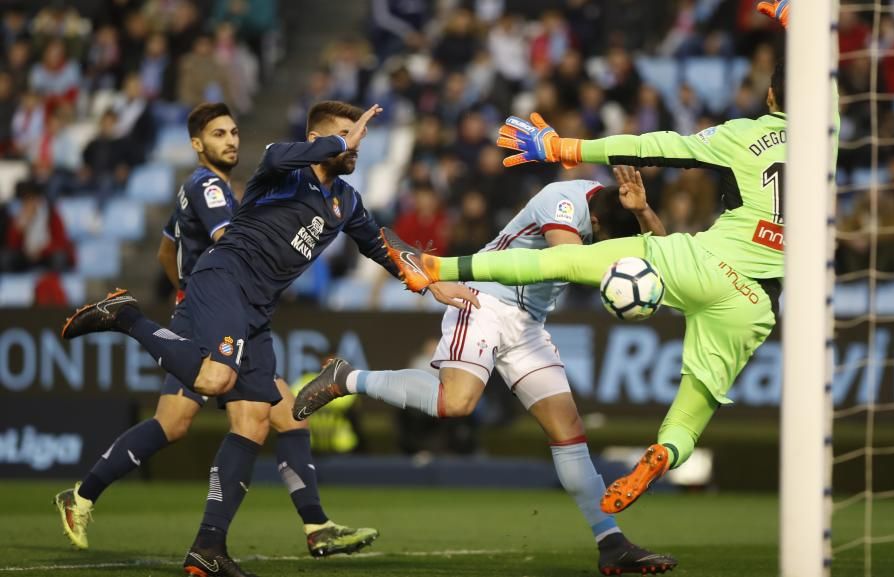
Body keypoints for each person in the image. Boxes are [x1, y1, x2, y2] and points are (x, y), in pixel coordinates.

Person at [371, 0, 830, 519]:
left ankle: (438, 267)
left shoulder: (740, 136)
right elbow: (828, 87)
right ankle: (663, 455)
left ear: (770, 95)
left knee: (565, 262)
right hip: (757, 301)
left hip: (704, 259)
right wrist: (797, 23)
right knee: (695, 404)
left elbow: (654, 143)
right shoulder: (827, 139)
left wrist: (564, 147)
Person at [60, 100, 477, 577]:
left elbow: (382, 247)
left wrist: (432, 282)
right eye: (341, 135)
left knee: (260, 420)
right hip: (225, 279)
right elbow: (281, 157)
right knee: (214, 381)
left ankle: (208, 548)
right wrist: (343, 139)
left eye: (354, 135)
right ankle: (126, 315)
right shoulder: (282, 167)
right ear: (319, 139)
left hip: (257, 308)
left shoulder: (346, 201)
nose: (353, 144)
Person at [293, 170, 677, 575]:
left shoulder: (612, 211)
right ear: (595, 223)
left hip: (529, 323)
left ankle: (611, 542)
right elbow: (569, 260)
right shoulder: (562, 200)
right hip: (484, 300)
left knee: (568, 429)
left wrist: (646, 213)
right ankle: (346, 378)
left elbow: (666, 255)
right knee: (456, 402)